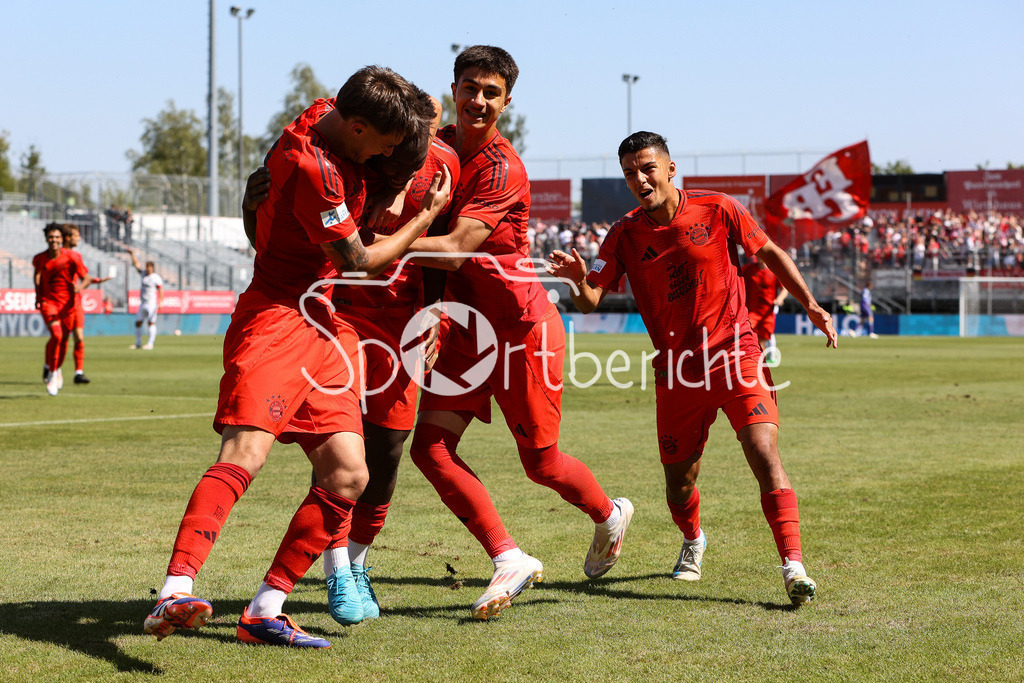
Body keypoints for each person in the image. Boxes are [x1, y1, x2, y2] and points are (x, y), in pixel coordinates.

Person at [143, 65, 451, 649]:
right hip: (277, 317)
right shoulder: (315, 167)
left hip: (324, 322)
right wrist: (424, 216)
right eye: (385, 144)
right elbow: (360, 261)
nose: (389, 153)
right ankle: (173, 590)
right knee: (246, 452)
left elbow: (274, 185)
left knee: (348, 474)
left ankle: (266, 607)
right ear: (357, 127)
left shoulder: (324, 113)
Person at [548, 131, 837, 606]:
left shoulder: (719, 208)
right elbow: (588, 301)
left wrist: (810, 304)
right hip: (677, 371)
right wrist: (577, 280)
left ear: (670, 168)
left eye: (646, 168)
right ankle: (693, 539)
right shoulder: (623, 234)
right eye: (629, 173)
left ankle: (794, 567)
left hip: (737, 354)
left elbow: (770, 253)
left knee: (765, 455)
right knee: (679, 484)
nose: (639, 179)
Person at [404, 45, 632, 620]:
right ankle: (508, 557)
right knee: (430, 448)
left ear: (507, 101)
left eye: (491, 92)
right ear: (453, 89)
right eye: (469, 88)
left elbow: (454, 250)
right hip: (467, 331)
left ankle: (609, 515)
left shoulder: (505, 167)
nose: (477, 100)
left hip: (524, 330)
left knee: (541, 464)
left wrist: (364, 248)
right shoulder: (435, 149)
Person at [240, 93, 460, 626]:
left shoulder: (442, 166)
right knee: (341, 449)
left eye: (424, 131)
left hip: (401, 320)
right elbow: (283, 244)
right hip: (333, 313)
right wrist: (251, 206)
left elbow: (446, 252)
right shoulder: (343, 157)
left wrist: (434, 311)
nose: (413, 140)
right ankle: (339, 564)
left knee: (386, 451)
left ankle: (355, 560)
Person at [60, 223, 113, 382]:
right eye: (77, 236)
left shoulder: (76, 256)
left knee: (79, 338)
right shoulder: (57, 254)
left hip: (75, 302)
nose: (80, 239)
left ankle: (78, 372)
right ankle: (53, 368)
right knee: (60, 339)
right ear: (68, 238)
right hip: (60, 302)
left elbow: (85, 278)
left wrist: (96, 281)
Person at [741, 255, 788, 366]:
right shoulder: (748, 269)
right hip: (751, 312)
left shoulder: (774, 271)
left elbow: (784, 289)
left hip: (767, 313)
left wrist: (779, 299)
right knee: (750, 338)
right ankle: (752, 362)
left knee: (763, 340)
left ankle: (758, 363)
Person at [127, 249, 164, 350]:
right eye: (146, 267)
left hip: (152, 303)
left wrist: (160, 302)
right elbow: (136, 265)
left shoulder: (156, 277)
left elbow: (161, 290)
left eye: (149, 267)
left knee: (151, 323)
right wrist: (132, 255)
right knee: (138, 322)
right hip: (143, 303)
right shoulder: (143, 274)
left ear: (152, 268)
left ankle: (150, 344)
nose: (147, 269)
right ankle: (138, 343)